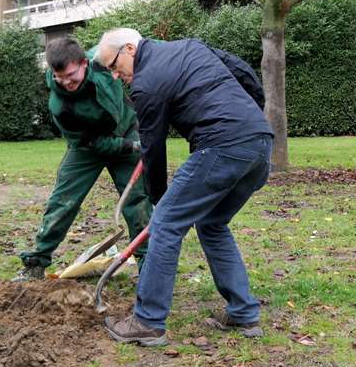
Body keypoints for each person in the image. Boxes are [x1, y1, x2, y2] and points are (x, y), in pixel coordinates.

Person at [94, 28, 274, 347]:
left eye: (113, 65)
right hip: (259, 145)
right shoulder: (190, 46)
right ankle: (244, 313)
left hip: (222, 146)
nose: (114, 75)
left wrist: (159, 203)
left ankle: (148, 321)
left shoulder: (145, 85)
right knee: (213, 224)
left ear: (130, 49)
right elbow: (243, 71)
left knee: (165, 225)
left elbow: (152, 147)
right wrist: (250, 117)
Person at [16, 37, 153, 279]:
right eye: (59, 77)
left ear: (84, 63)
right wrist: (131, 146)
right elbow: (92, 142)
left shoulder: (103, 60)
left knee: (138, 202)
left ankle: (149, 269)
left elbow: (136, 50)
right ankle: (36, 263)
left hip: (126, 127)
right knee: (63, 201)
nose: (66, 82)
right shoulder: (60, 106)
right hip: (88, 147)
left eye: (71, 75)